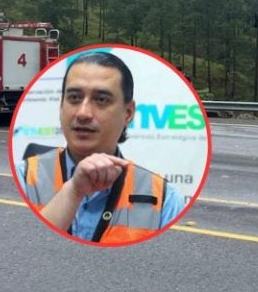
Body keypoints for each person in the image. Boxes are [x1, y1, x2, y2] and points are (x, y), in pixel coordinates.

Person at [16, 51, 185, 244]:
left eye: (101, 100)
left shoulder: (163, 199)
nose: (83, 113)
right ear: (61, 106)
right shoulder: (24, 178)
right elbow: (23, 251)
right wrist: (73, 192)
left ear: (128, 113)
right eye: (74, 98)